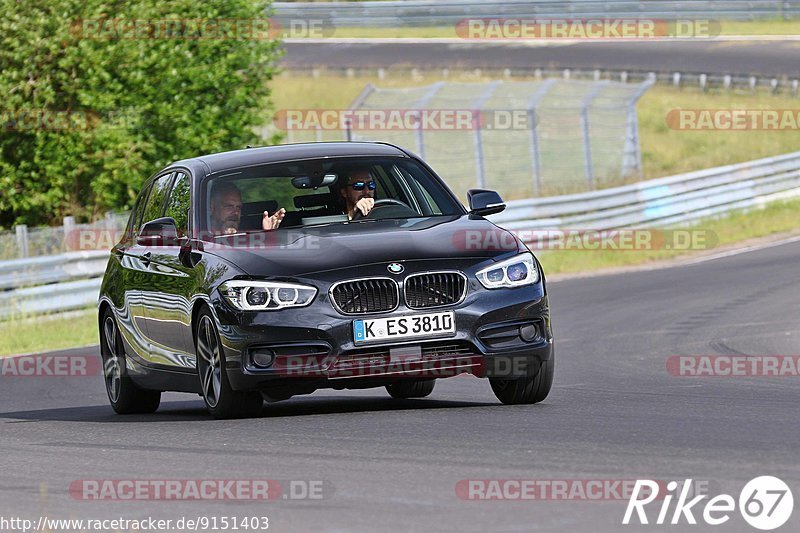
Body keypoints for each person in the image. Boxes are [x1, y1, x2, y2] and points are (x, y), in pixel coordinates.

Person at [209, 182, 285, 235]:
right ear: (211, 207)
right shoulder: (202, 240)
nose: (236, 212)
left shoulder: (246, 237)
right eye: (229, 206)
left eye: (239, 207)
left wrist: (268, 234)